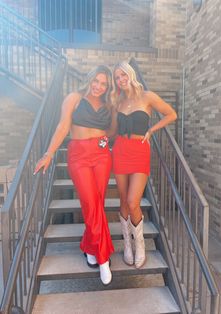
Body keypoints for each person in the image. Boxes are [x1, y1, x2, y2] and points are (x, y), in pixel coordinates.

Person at [34, 65, 115, 285]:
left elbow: (112, 130)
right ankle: (103, 257)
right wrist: (49, 154)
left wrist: (101, 141)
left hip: (101, 155)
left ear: (108, 87)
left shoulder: (109, 104)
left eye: (104, 84)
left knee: (96, 203)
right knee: (90, 202)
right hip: (78, 155)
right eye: (96, 81)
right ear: (89, 79)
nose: (99, 87)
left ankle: (89, 247)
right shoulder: (74, 98)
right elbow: (62, 127)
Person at [111, 61, 177, 268]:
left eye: (123, 75)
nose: (121, 80)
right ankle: (127, 245)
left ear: (130, 74)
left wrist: (151, 130)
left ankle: (140, 244)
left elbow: (171, 114)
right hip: (120, 150)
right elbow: (113, 130)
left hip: (140, 151)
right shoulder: (118, 101)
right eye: (117, 78)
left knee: (133, 202)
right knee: (123, 200)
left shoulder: (147, 96)